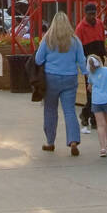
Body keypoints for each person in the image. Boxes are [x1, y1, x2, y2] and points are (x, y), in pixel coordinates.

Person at [35, 10, 87, 156]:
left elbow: (38, 60)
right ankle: (73, 141)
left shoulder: (48, 39)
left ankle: (50, 142)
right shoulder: (75, 40)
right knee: (70, 110)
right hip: (70, 78)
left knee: (50, 110)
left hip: (51, 78)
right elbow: (82, 61)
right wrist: (86, 74)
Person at [76, 2, 106, 133]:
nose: (93, 16)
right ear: (85, 14)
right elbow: (78, 49)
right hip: (88, 64)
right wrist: (83, 66)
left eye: (94, 13)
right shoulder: (80, 28)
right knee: (91, 92)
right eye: (90, 14)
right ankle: (92, 119)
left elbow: (102, 43)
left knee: (98, 91)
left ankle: (86, 114)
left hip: (100, 61)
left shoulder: (99, 24)